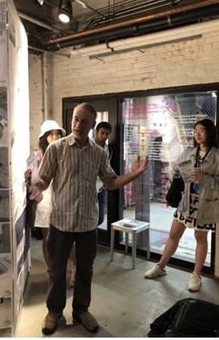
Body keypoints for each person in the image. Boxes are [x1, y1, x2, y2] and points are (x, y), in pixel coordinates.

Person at [29, 103, 149, 335]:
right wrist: (37, 188)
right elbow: (44, 179)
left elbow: (111, 182)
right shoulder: (57, 148)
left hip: (87, 223)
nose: (78, 124)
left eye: (84, 121)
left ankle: (81, 310)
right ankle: (54, 312)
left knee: (85, 269)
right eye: (75, 119)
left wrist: (135, 173)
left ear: (92, 125)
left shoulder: (98, 153)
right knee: (56, 269)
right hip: (61, 221)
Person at [144, 119, 219, 293]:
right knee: (173, 235)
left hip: (205, 206)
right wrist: (171, 194)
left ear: (210, 133)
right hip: (185, 203)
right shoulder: (188, 152)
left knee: (200, 239)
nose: (197, 134)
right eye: (195, 130)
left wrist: (204, 179)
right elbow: (177, 173)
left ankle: (196, 275)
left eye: (202, 131)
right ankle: (161, 266)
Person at [25, 120, 69, 284]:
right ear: (44, 137)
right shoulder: (35, 157)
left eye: (58, 133)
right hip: (44, 202)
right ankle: (52, 270)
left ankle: (63, 268)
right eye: (51, 134)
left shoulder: (64, 153)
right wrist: (28, 180)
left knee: (63, 239)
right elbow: (32, 180)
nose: (55, 136)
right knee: (48, 239)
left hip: (62, 200)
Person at [93, 122, 111, 229]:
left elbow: (107, 167)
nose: (104, 136)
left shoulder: (107, 148)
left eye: (107, 134)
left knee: (100, 218)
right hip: (90, 188)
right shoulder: (89, 146)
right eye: (102, 133)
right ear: (96, 132)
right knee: (91, 216)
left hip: (102, 188)